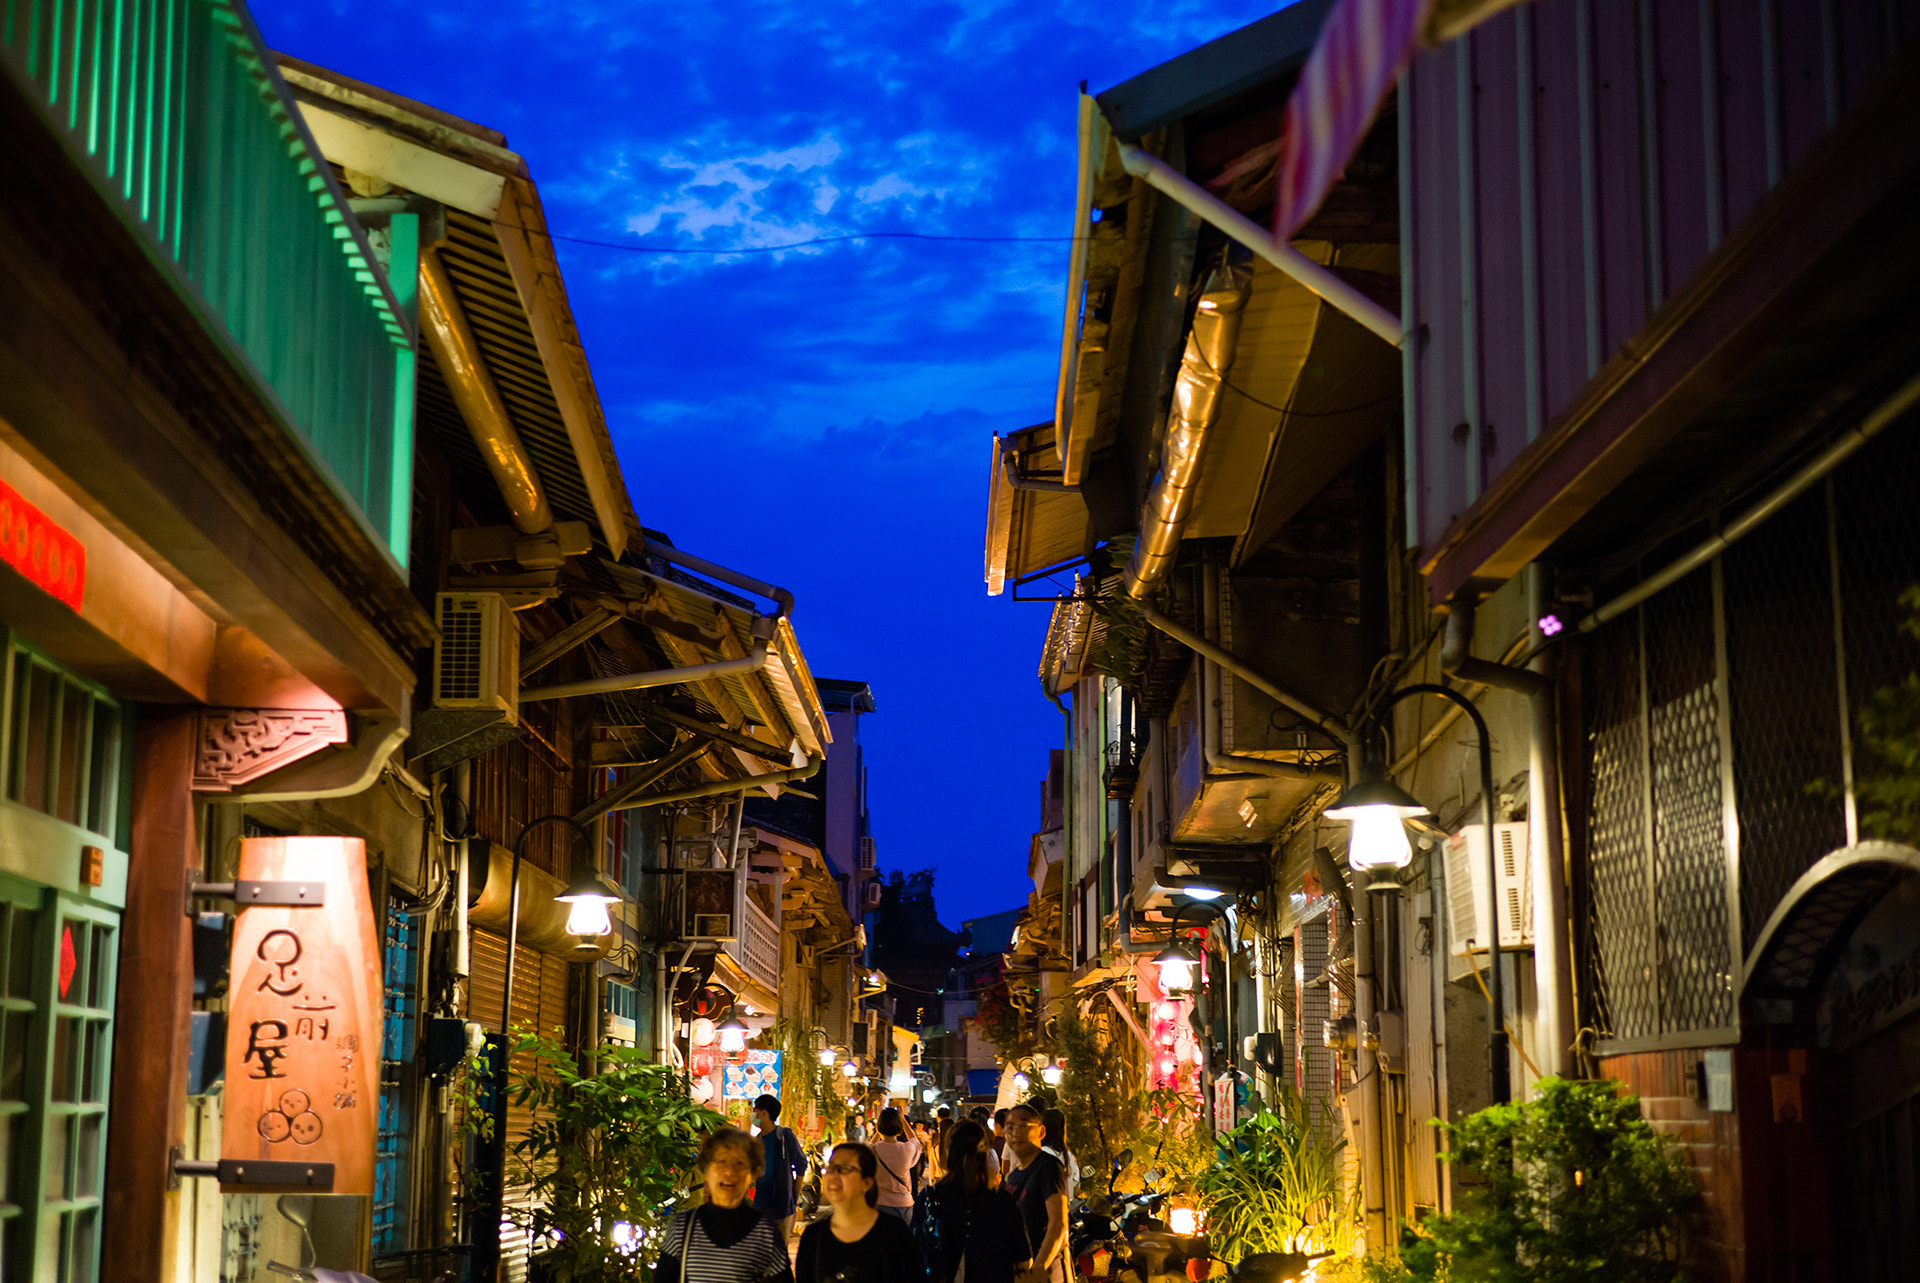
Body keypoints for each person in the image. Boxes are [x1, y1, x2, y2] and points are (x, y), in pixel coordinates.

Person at [657, 1127, 795, 1283]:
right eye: (721, 1162)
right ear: (707, 1170)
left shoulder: (765, 1234)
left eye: (739, 1163)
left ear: (752, 1174)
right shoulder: (682, 1228)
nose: (729, 1172)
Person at [913, 1120, 1031, 1283]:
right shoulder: (1003, 1202)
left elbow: (912, 1254)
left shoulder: (931, 1198)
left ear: (948, 1153)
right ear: (985, 1155)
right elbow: (1024, 1261)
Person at [795, 1142, 926, 1283]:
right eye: (830, 1168)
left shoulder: (894, 1233)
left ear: (867, 1182)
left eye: (843, 1169)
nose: (833, 1175)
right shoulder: (813, 1237)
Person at [1001, 1104, 1067, 1283]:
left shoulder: (1048, 1167)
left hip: (1043, 1272)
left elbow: (1058, 1224)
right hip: (1020, 1272)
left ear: (1041, 1131)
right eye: (1010, 1127)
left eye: (1023, 1125)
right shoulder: (1013, 1176)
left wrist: (1038, 1269)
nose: (1015, 1132)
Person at [753, 1093, 809, 1241]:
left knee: (780, 1252)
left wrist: (794, 1197)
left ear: (764, 1113)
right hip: (760, 1204)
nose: (753, 1114)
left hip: (782, 1205)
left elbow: (801, 1164)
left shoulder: (784, 1136)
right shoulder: (757, 1140)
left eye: (755, 1110)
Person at [868, 1107, 923, 1223]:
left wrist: (878, 1133)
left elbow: (865, 1148)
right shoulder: (907, 1149)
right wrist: (903, 1119)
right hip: (903, 1204)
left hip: (878, 1204)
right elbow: (915, 1142)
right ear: (899, 1129)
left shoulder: (872, 1150)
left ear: (879, 1128)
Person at [1039, 1108, 1080, 1201]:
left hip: (1048, 1209)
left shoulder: (1041, 1153)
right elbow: (1076, 1185)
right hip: (1067, 1208)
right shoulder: (1069, 1155)